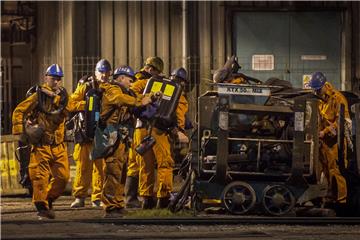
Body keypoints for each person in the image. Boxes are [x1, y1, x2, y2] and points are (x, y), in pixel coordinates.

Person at [12, 64, 85, 219]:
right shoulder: (38, 96)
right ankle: (42, 207)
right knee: (39, 177)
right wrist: (20, 131)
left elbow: (70, 107)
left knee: (63, 177)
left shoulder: (64, 97)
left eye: (59, 79)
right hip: (42, 145)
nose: (57, 82)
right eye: (53, 78)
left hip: (59, 146)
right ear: (46, 78)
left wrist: (92, 104)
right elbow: (19, 110)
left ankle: (48, 199)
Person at [97, 65, 152, 217]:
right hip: (111, 135)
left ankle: (118, 203)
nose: (131, 82)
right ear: (120, 78)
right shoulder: (111, 89)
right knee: (112, 171)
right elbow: (120, 100)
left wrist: (151, 97)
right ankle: (110, 207)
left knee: (121, 171)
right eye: (129, 79)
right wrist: (140, 102)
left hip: (122, 137)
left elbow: (137, 98)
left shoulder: (128, 91)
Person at [69, 59, 111, 208]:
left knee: (101, 167)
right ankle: (80, 197)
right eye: (101, 72)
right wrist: (88, 105)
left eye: (107, 73)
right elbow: (70, 104)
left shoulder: (111, 89)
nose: (104, 75)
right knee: (83, 166)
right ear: (96, 72)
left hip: (101, 132)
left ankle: (97, 198)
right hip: (84, 132)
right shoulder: (85, 87)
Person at [308, 72, 350, 203]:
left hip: (334, 142)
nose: (316, 92)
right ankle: (331, 196)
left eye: (318, 89)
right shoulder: (320, 100)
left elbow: (342, 121)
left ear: (325, 85)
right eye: (314, 90)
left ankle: (341, 200)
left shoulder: (337, 98)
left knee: (334, 170)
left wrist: (325, 132)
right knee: (325, 170)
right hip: (323, 141)